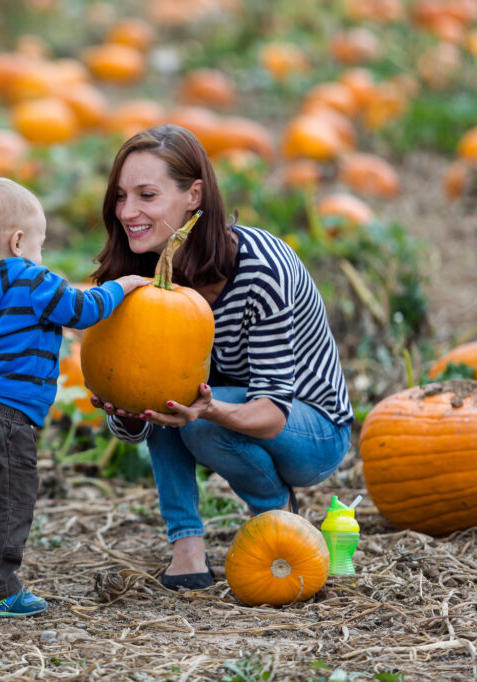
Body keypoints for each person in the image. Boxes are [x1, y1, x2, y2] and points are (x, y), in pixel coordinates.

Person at [89, 125, 354, 590]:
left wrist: (207, 409)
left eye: (147, 195)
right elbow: (136, 417)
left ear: (194, 195)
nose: (128, 212)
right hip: (216, 409)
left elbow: (272, 414)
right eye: (120, 196)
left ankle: (277, 514)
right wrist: (127, 412)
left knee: (195, 413)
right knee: (171, 399)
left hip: (309, 428)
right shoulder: (136, 274)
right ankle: (186, 548)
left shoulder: (261, 269)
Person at [0, 176, 147, 617]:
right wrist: (122, 287)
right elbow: (81, 311)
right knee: (6, 504)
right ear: (18, 241)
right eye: (39, 246)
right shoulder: (29, 279)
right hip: (3, 418)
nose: (41, 256)